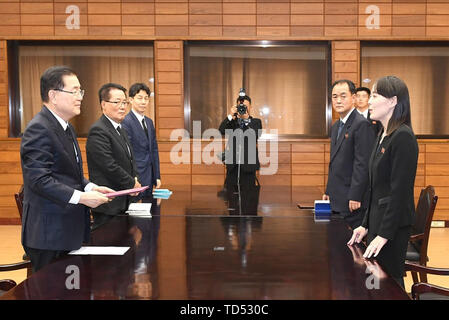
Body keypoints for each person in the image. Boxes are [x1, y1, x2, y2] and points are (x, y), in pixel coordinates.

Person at [20, 66, 113, 272]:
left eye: (81, 91)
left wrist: (91, 188)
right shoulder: (39, 128)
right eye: (74, 91)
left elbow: (69, 174)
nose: (80, 97)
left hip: (66, 229)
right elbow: (39, 180)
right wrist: (81, 197)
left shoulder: (66, 126)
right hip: (49, 234)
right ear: (53, 95)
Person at [348, 76, 418, 289]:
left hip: (393, 229)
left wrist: (384, 235)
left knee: (389, 287)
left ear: (393, 101)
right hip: (379, 223)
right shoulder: (382, 133)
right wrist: (365, 225)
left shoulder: (403, 137)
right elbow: (376, 189)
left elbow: (399, 193)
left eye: (375, 95)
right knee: (374, 286)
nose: (369, 101)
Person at [86, 83, 141, 229]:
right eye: (117, 102)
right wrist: (131, 183)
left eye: (124, 102)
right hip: (108, 204)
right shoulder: (98, 130)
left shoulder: (120, 128)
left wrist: (135, 178)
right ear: (103, 104)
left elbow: (130, 158)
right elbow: (108, 165)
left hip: (124, 201)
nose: (123, 106)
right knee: (108, 246)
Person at [323, 80, 375, 230]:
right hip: (337, 196)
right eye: (334, 96)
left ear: (353, 98)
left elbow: (363, 164)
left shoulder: (361, 124)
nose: (338, 100)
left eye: (343, 96)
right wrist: (328, 191)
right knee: (336, 245)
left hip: (352, 201)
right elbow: (335, 163)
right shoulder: (336, 126)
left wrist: (356, 195)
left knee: (350, 249)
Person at [121, 83, 161, 197]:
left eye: (146, 98)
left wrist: (157, 176)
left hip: (150, 176)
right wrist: (132, 178)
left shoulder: (149, 122)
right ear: (131, 100)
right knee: (136, 213)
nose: (143, 102)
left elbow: (154, 150)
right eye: (139, 98)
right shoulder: (126, 121)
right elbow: (127, 154)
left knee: (150, 211)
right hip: (136, 178)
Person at [218, 91, 262, 186]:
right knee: (231, 195)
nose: (243, 109)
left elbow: (255, 135)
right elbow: (221, 130)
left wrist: (246, 120)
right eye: (241, 106)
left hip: (248, 166)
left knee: (248, 195)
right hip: (233, 165)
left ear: (250, 107)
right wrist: (230, 115)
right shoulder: (233, 122)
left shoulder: (256, 122)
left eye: (245, 106)